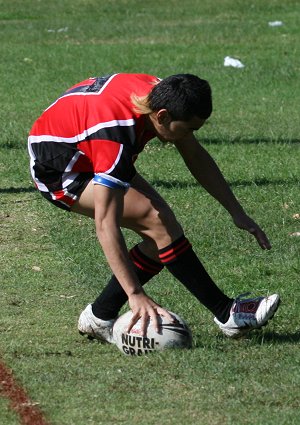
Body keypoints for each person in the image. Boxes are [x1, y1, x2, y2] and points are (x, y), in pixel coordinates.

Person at [28, 73, 280, 342]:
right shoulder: (114, 137)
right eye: (188, 129)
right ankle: (227, 313)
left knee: (161, 229)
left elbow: (194, 154)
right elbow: (105, 224)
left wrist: (235, 211)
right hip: (62, 170)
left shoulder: (162, 93)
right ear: (161, 116)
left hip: (85, 145)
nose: (190, 136)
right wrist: (135, 295)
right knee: (157, 221)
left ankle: (100, 316)